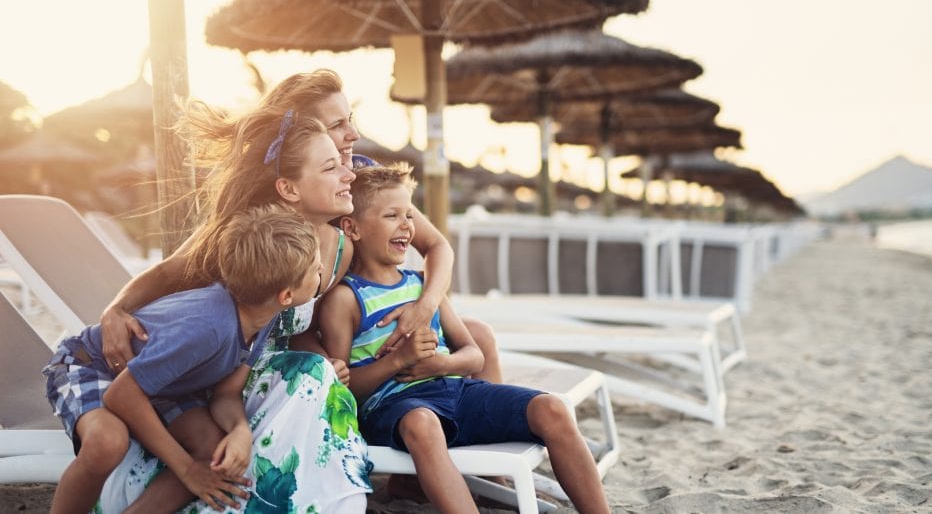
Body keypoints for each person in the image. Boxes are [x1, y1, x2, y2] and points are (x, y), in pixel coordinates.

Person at [95, 114, 373, 513]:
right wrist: (115, 310)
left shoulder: (339, 249)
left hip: (249, 367)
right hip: (209, 367)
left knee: (318, 371)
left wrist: (328, 357)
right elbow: (166, 273)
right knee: (312, 375)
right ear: (288, 188)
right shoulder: (251, 235)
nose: (350, 174)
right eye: (332, 167)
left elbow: (290, 324)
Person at [319, 162, 611, 513]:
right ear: (352, 228)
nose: (406, 226)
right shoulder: (345, 300)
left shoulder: (424, 286)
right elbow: (343, 391)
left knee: (553, 408)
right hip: (395, 409)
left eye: (409, 215)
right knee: (422, 423)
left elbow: (475, 356)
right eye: (391, 216)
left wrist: (441, 364)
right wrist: (398, 361)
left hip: (455, 392)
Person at [43, 203, 322, 513]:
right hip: (94, 366)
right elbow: (122, 394)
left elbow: (226, 394)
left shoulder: (263, 315)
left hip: (161, 385)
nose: (321, 272)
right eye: (315, 269)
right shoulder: (209, 326)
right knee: (108, 443)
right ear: (286, 295)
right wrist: (187, 470)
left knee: (213, 453)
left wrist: (240, 431)